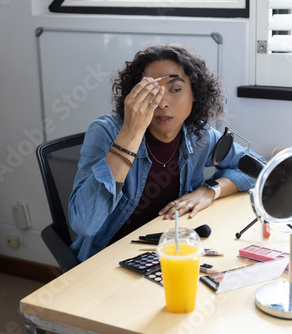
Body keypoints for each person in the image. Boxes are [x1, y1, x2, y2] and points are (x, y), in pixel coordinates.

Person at [68, 44, 263, 262]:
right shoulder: (107, 132)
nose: (161, 102)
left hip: (165, 250)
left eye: (175, 89)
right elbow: (85, 224)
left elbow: (256, 168)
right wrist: (131, 133)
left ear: (195, 94)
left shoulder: (199, 135)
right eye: (150, 91)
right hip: (106, 258)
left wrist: (209, 191)